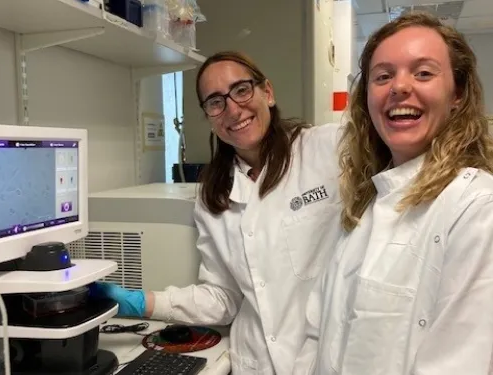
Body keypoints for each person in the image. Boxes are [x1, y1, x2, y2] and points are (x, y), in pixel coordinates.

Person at [91, 51, 343, 374]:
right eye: (215, 102)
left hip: (325, 359)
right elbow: (224, 297)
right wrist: (141, 302)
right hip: (256, 363)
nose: (232, 109)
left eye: (241, 90)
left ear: (267, 92)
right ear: (209, 116)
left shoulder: (325, 149)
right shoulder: (214, 193)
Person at [293, 11, 493, 375]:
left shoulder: (476, 206)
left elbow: (457, 365)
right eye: (383, 76)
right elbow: (317, 330)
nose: (399, 87)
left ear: (458, 95)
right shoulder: (366, 204)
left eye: (423, 73)